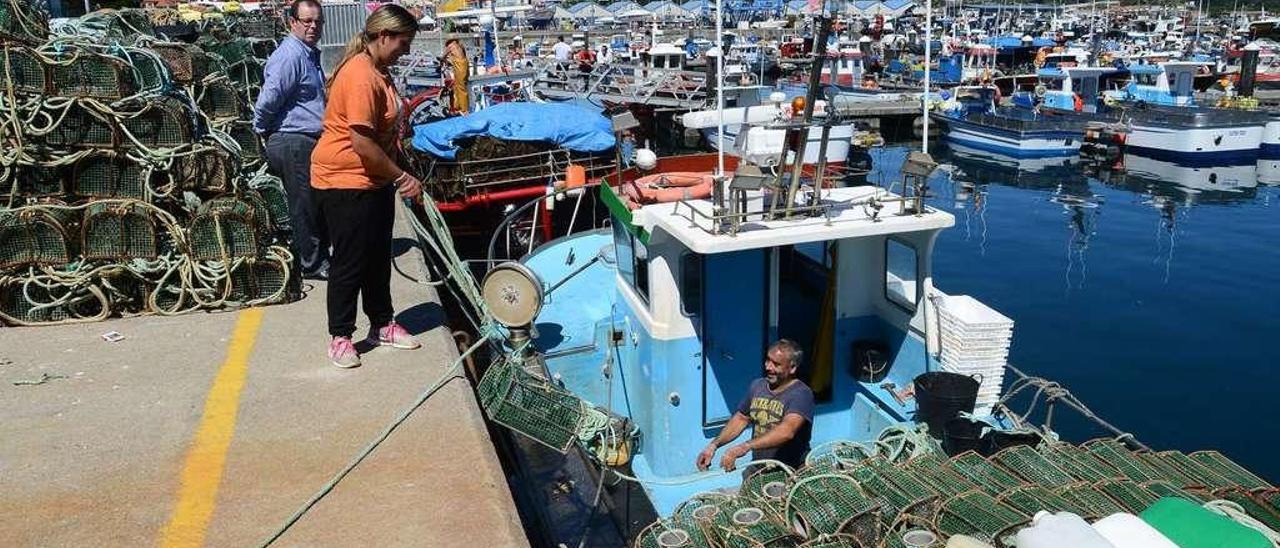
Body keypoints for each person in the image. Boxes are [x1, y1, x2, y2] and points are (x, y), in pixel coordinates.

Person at [311, 4, 424, 368]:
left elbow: (384, 135)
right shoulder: (360, 76)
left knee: (377, 256)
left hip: (372, 179)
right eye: (403, 44)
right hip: (345, 181)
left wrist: (402, 167)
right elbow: (362, 143)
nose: (405, 52)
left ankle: (382, 323)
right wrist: (402, 176)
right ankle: (340, 336)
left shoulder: (379, 70)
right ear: (384, 36)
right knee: (350, 260)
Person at [253, 0, 330, 280]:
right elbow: (269, 99)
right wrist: (261, 130)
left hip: (306, 139)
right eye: (307, 21)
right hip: (292, 139)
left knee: (316, 201)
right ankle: (311, 264)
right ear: (292, 22)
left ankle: (319, 256)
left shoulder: (308, 54)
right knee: (304, 204)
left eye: (317, 21)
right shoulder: (290, 56)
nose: (313, 26)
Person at [696, 339, 815, 471]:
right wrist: (713, 445)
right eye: (768, 360)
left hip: (789, 470)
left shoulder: (801, 394)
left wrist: (745, 446)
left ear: (792, 368)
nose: (768, 367)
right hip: (759, 468)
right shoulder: (757, 386)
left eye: (776, 364)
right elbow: (741, 418)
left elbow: (787, 431)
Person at [441, 38, 469, 114]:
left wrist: (442, 61)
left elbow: (443, 56)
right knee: (457, 86)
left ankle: (464, 109)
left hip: (459, 66)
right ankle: (458, 107)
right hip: (464, 64)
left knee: (460, 87)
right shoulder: (459, 46)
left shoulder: (450, 46)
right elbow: (464, 56)